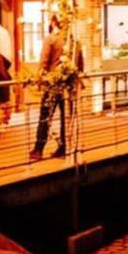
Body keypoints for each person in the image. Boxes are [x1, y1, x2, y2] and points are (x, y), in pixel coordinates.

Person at [30, 15, 82, 160]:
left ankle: (38, 149)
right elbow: (80, 64)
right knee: (66, 117)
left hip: (53, 84)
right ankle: (64, 147)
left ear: (54, 23)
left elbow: (43, 62)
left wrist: (40, 80)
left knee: (45, 117)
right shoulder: (74, 41)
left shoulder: (51, 39)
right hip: (69, 86)